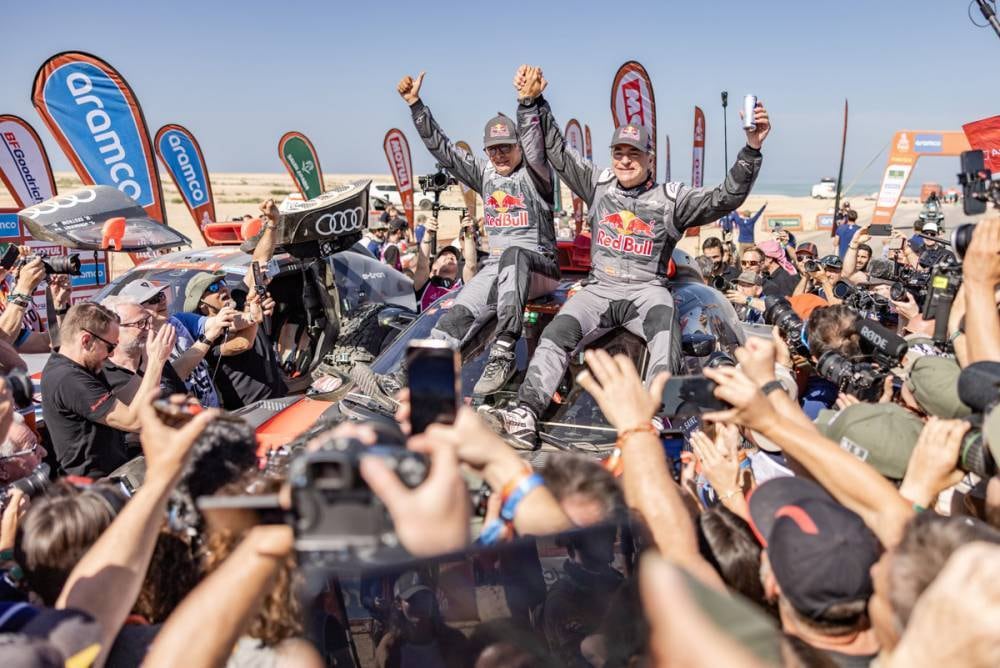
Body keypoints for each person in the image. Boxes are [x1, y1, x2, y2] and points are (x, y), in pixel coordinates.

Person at [483, 65, 768, 445]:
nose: (625, 160)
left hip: (646, 291)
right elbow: (557, 150)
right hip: (599, 290)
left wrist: (751, 148)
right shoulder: (599, 184)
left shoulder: (672, 198)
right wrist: (534, 101)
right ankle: (525, 410)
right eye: (619, 152)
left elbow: (726, 198)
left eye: (634, 153)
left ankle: (656, 419)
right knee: (555, 332)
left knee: (666, 328)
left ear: (650, 158)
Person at [391, 68, 560, 396]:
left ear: (519, 147)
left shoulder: (537, 174)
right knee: (459, 311)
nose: (499, 155)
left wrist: (527, 102)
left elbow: (537, 144)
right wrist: (416, 106)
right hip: (499, 268)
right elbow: (444, 151)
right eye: (493, 149)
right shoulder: (484, 175)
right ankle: (405, 377)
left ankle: (504, 350)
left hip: (540, 266)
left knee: (513, 257)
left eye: (506, 147)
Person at [40, 303, 175, 477]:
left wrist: (146, 365)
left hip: (113, 471)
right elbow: (133, 422)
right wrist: (157, 362)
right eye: (110, 347)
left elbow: (120, 402)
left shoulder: (82, 367)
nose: (111, 354)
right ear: (86, 341)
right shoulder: (69, 379)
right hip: (95, 487)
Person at [171, 270, 285, 411]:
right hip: (250, 410)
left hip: (279, 395)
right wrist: (254, 314)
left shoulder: (238, 302)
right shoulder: (208, 336)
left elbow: (257, 262)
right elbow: (244, 344)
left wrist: (252, 306)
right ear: (202, 305)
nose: (222, 288)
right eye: (213, 288)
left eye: (222, 283)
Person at [0, 246, 71, 353]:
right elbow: (3, 342)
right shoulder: (20, 290)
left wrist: (59, 306)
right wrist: (23, 289)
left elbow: (52, 342)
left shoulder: (11, 286)